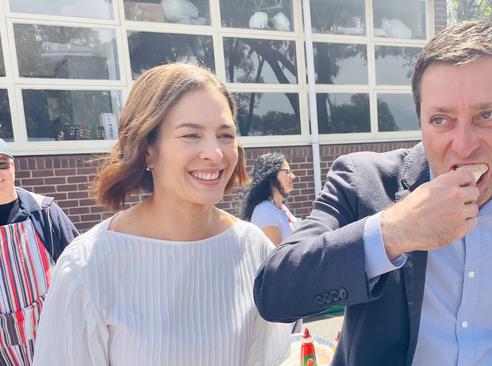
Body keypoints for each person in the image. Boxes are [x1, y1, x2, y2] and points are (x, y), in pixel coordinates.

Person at [254, 19, 492, 366]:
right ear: (420, 120)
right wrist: (393, 233)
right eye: (441, 120)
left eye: (487, 115)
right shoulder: (362, 182)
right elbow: (275, 291)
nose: (463, 147)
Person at [33, 63, 291, 365]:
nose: (216, 153)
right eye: (191, 135)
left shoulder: (255, 249)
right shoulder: (87, 268)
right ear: (147, 149)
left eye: (225, 135)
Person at [0, 139, 78, 365]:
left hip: (52, 341)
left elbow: (81, 266)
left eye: (2, 163)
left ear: (13, 166)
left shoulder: (43, 212)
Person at [243, 152, 300, 245]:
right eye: (287, 172)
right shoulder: (264, 210)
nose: (293, 176)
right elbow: (276, 256)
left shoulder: (281, 207)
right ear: (271, 175)